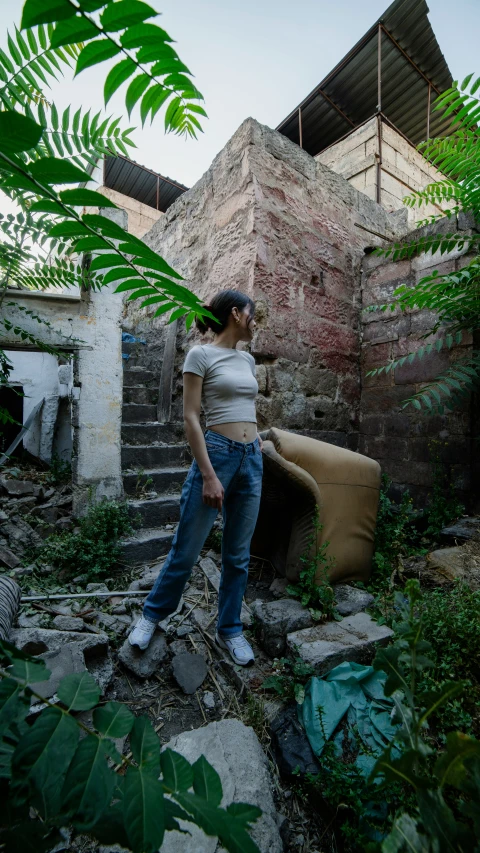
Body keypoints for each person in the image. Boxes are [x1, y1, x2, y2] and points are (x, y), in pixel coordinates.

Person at [128, 289, 263, 666]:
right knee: (186, 550)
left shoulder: (248, 361)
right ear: (236, 314)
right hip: (216, 456)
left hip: (252, 460)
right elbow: (190, 417)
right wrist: (207, 475)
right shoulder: (200, 354)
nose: (256, 322)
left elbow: (247, 407)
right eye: (252, 314)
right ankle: (151, 615)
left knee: (238, 556)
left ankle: (230, 629)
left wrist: (258, 442)